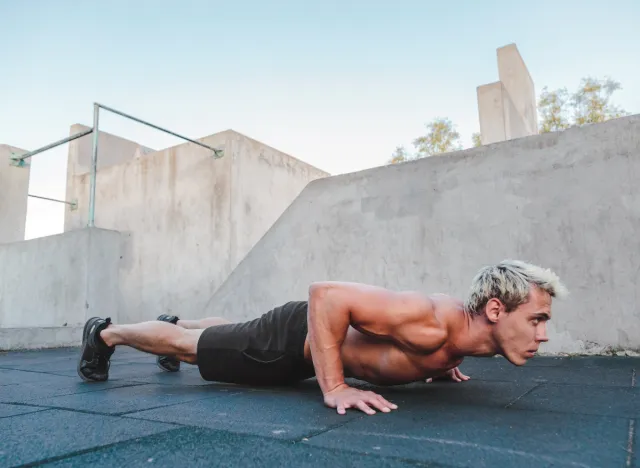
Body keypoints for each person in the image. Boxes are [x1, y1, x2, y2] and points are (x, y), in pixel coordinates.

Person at [77, 259, 567, 415]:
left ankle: (175, 323)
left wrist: (444, 363)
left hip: (298, 336)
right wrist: (333, 387)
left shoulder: (457, 337)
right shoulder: (430, 319)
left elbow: (428, 347)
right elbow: (326, 295)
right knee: (190, 353)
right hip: (292, 344)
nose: (542, 333)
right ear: (496, 309)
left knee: (223, 332)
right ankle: (107, 335)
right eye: (537, 319)